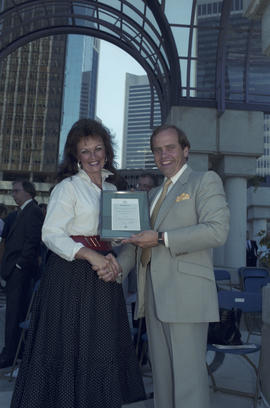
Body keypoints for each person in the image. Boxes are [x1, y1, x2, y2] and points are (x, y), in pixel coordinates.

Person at [10, 119, 145, 408]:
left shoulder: (112, 190)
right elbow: (51, 234)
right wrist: (91, 254)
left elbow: (112, 236)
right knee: (69, 345)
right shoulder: (68, 188)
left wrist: (117, 252)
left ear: (107, 153)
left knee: (100, 346)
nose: (93, 156)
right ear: (76, 156)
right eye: (85, 151)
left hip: (104, 274)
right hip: (71, 275)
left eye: (98, 149)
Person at [117, 124, 230, 408]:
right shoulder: (153, 195)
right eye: (158, 149)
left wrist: (162, 237)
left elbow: (217, 231)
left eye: (170, 148)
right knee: (163, 381)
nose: (163, 155)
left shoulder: (205, 181)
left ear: (185, 150)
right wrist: (116, 266)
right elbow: (138, 243)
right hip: (154, 295)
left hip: (187, 296)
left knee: (188, 383)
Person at [0, 180, 44, 369]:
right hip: (16, 271)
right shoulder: (21, 212)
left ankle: (10, 354)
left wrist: (19, 265)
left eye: (16, 191)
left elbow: (32, 241)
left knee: (15, 314)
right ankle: (12, 351)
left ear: (28, 193)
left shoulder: (32, 211)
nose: (13, 194)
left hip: (21, 272)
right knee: (14, 313)